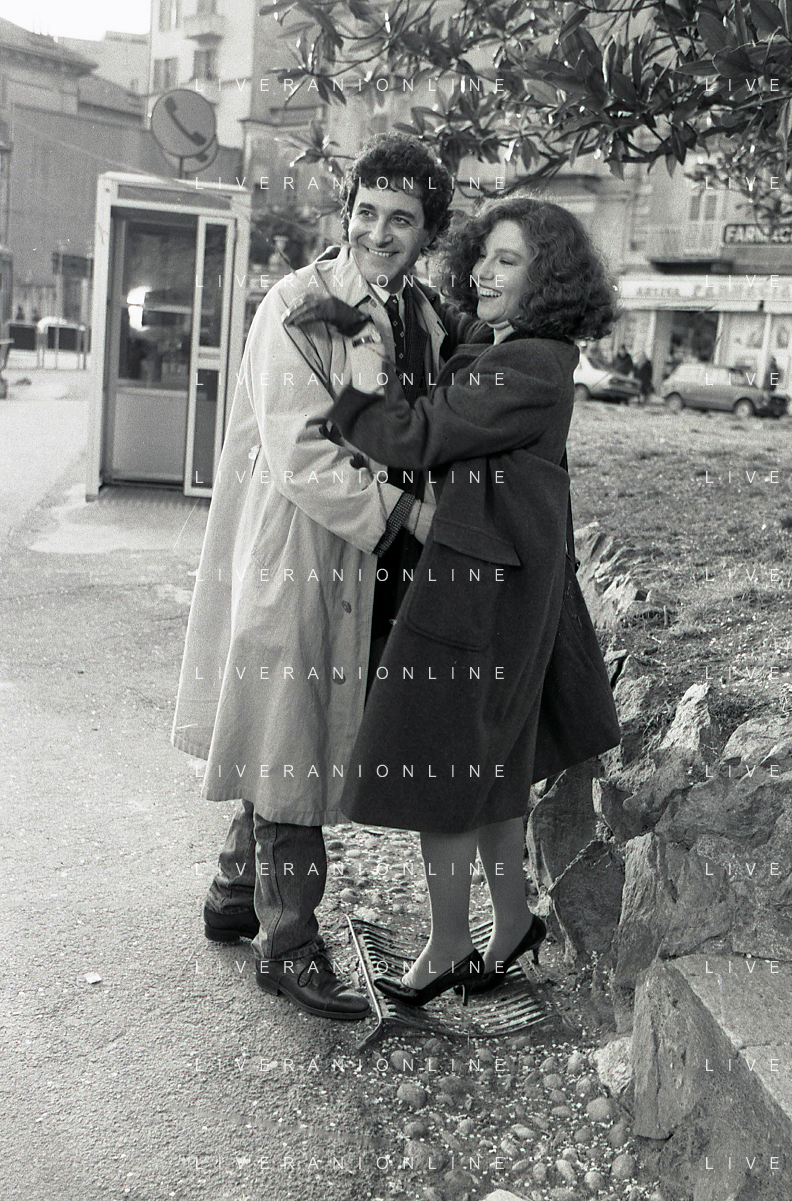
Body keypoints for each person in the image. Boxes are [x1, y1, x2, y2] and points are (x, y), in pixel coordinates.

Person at [171, 134, 463, 1021]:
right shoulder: (300, 303)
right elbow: (302, 450)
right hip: (300, 548)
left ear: (427, 232)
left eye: (401, 218)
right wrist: (414, 515)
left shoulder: (423, 316)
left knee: (284, 728)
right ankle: (288, 943)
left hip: (367, 562)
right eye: (366, 212)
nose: (379, 232)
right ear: (347, 213)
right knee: (291, 737)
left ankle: (235, 890)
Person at [316, 197, 622, 1005]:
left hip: (483, 593)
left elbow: (416, 435)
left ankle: (450, 943)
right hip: (495, 579)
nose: (483, 271)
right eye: (482, 254)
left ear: (546, 279)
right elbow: (456, 356)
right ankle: (511, 921)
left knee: (444, 765)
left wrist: (345, 379)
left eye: (506, 260)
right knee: (488, 765)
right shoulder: (509, 346)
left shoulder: (528, 366)